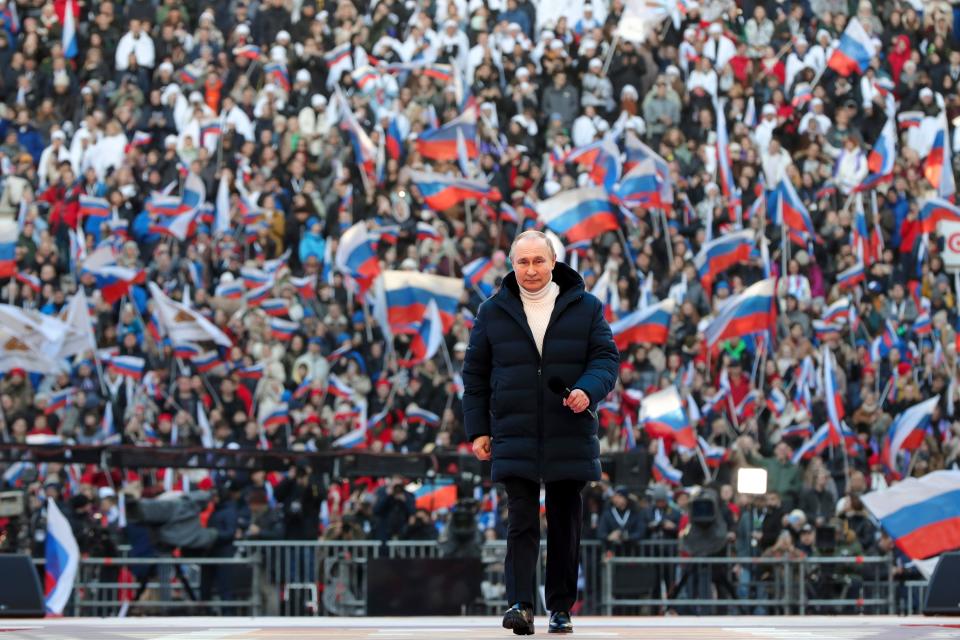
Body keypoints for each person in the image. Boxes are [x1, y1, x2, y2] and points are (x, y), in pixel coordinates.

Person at [463, 230, 619, 635]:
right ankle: (520, 604)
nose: (530, 270)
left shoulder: (586, 307)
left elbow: (605, 359)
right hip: (514, 431)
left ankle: (561, 608)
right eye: (522, 262)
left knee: (566, 523)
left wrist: (588, 389)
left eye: (538, 261)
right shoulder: (491, 311)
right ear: (512, 265)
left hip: (569, 429)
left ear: (554, 262)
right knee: (521, 522)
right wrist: (478, 429)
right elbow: (475, 375)